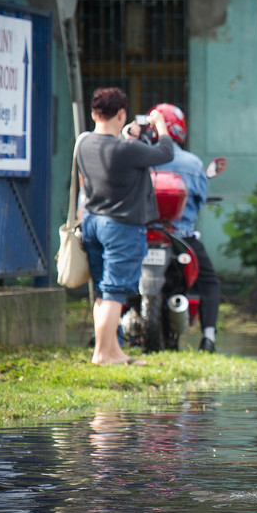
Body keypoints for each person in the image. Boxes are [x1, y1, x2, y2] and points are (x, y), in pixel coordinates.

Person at [77, 87, 174, 366]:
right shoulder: (128, 148)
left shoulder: (83, 142)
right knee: (115, 291)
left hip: (93, 223)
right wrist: (160, 125)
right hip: (121, 226)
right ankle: (103, 354)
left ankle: (112, 350)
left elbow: (112, 154)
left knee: (102, 292)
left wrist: (126, 137)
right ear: (121, 114)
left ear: (94, 113)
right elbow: (165, 152)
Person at [143, 103, 223, 353]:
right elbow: (198, 200)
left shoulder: (142, 159)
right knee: (209, 282)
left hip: (143, 236)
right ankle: (208, 338)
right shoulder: (193, 164)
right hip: (181, 236)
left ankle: (108, 334)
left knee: (115, 276)